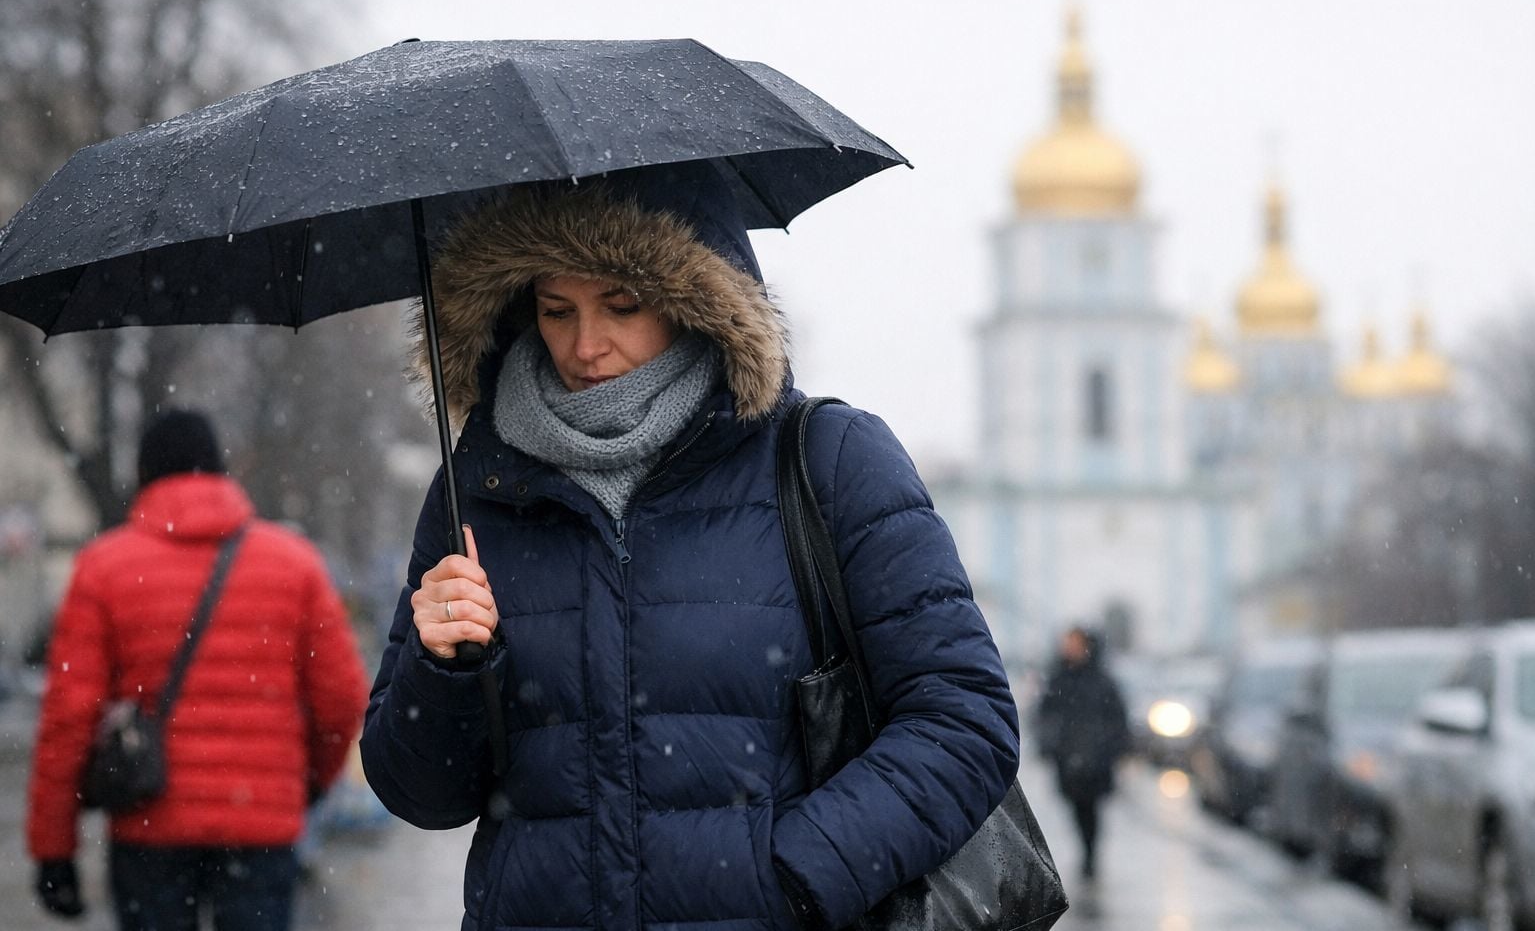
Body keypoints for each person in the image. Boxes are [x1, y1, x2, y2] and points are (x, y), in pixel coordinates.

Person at [360, 162, 1021, 931]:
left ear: (694, 298)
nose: (585, 345)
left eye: (622, 302)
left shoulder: (827, 461)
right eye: (554, 307)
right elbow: (421, 793)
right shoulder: (477, 488)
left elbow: (962, 720)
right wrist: (442, 669)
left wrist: (793, 872)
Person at [27, 408, 369, 930]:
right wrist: (310, 784)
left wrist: (54, 848)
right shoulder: (295, 564)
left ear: (144, 476)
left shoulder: (103, 568)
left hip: (148, 828)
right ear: (219, 471)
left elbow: (68, 717)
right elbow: (342, 698)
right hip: (262, 830)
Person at [1034, 625, 1130, 881]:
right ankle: (1086, 851)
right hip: (1068, 758)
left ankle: (1090, 855)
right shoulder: (1059, 678)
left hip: (1096, 758)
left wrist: (1114, 749)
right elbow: (1045, 715)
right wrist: (1048, 746)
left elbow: (1117, 718)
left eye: (1075, 643)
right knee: (1076, 808)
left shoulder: (1102, 681)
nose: (1071, 648)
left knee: (1092, 809)